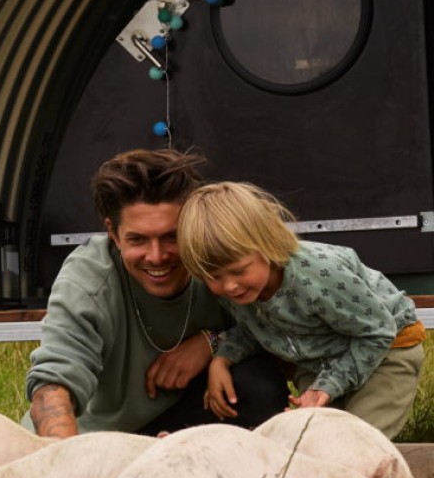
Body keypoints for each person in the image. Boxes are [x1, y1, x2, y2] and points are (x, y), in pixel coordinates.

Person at [25, 148, 286, 438]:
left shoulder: (219, 258)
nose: (157, 256)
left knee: (259, 383)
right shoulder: (87, 279)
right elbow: (53, 384)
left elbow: (286, 332)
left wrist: (212, 342)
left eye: (171, 237)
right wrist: (64, 463)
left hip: (183, 421)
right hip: (101, 441)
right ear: (113, 233)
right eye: (137, 239)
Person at [176, 180, 425, 439]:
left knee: (357, 442)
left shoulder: (318, 275)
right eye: (214, 277)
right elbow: (256, 329)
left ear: (266, 243)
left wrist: (327, 386)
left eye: (238, 270)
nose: (229, 285)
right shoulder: (239, 289)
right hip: (319, 363)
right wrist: (222, 360)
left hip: (386, 353)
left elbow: (379, 331)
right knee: (312, 440)